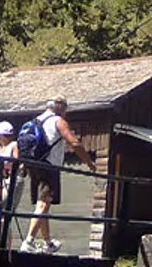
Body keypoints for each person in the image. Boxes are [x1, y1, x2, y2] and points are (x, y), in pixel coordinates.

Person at [20, 95, 96, 255]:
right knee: (43, 204)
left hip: (35, 165)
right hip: (49, 166)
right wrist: (89, 163)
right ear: (60, 107)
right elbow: (74, 143)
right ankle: (29, 241)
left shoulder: (34, 121)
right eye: (66, 108)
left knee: (42, 205)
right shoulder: (58, 121)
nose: (66, 112)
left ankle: (48, 243)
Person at [0, 120, 23, 229]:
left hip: (11, 181)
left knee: (5, 210)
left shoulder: (13, 145)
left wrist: (6, 167)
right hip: (0, 183)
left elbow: (17, 162)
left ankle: (4, 241)